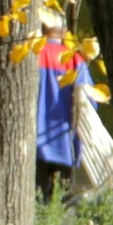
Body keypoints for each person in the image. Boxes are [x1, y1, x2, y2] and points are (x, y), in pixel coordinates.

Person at [35, 38, 81, 203]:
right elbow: (89, 100)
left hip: (36, 143)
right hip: (66, 142)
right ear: (62, 31)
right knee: (65, 203)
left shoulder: (34, 52)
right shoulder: (74, 58)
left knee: (37, 201)